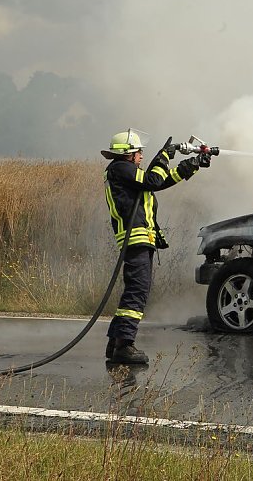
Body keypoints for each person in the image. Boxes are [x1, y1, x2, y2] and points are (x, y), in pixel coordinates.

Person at [100, 129, 211, 364]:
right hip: (136, 238)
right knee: (137, 291)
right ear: (128, 154)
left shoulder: (127, 172)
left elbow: (159, 181)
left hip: (140, 239)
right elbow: (154, 179)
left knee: (133, 291)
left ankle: (116, 341)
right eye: (139, 151)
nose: (141, 154)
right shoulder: (121, 168)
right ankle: (125, 346)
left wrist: (192, 164)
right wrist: (164, 155)